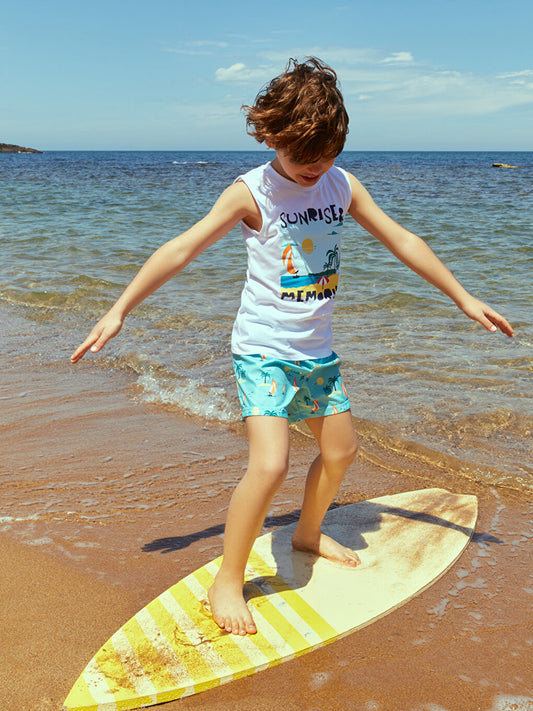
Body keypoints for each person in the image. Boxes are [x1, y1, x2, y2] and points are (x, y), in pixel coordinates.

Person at [71, 57, 514, 637]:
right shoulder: (250, 192)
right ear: (273, 137)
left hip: (317, 350)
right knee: (271, 462)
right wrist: (119, 309)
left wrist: (462, 295)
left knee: (341, 453)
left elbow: (403, 237)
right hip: (262, 348)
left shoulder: (342, 185)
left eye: (326, 157)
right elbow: (182, 248)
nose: (315, 169)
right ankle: (228, 577)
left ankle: (306, 532)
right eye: (303, 159)